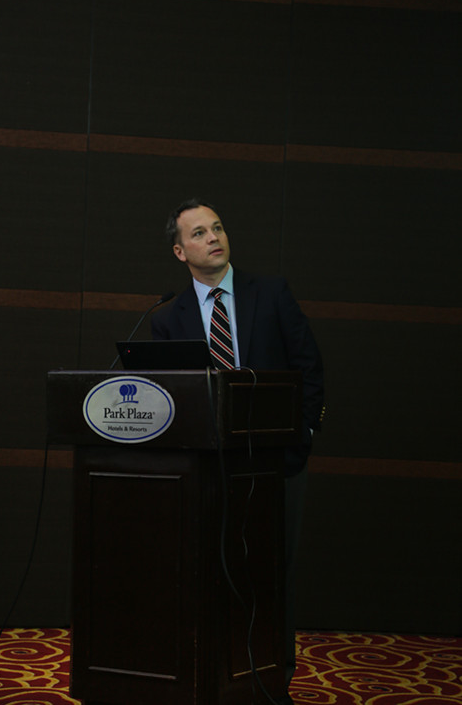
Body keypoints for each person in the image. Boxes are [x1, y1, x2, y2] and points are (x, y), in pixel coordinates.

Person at [151, 197, 324, 705]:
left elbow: (309, 366)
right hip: (207, 471)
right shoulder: (168, 317)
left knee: (272, 578)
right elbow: (169, 397)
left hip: (276, 464)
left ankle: (272, 684)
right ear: (180, 252)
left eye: (218, 228)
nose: (214, 238)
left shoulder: (270, 294)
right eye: (199, 233)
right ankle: (211, 681)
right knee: (207, 576)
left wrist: (304, 435)